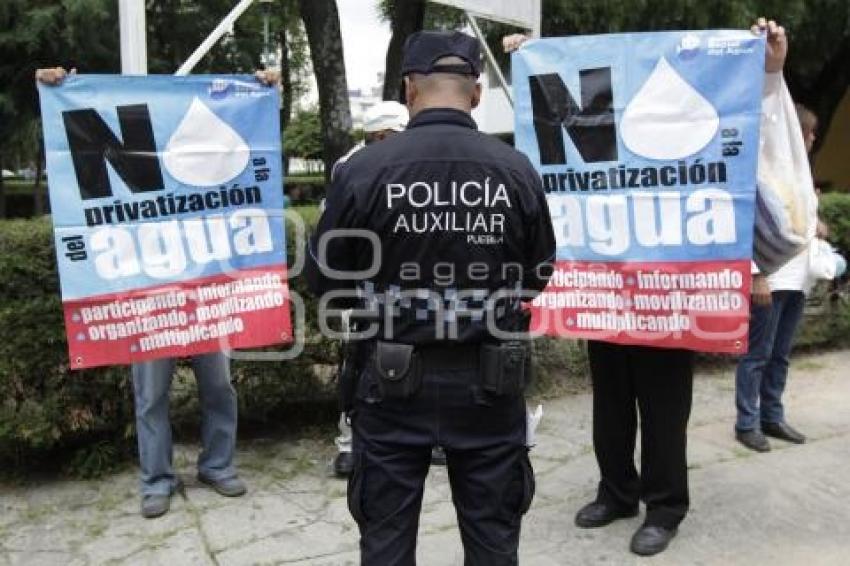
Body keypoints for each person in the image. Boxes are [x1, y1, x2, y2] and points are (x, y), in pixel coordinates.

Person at [504, 18, 790, 556]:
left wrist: (767, 66)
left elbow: (756, 143)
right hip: (607, 295)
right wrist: (531, 57)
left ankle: (665, 507)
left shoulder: (695, 100)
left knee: (663, 411)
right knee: (609, 405)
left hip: (669, 298)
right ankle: (617, 491)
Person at [305, 30, 555, 565]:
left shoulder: (364, 171)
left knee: (387, 546)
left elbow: (326, 280)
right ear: (477, 91)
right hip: (490, 387)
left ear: (409, 89)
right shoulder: (515, 170)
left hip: (391, 387)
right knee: (493, 545)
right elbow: (538, 275)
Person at [36, 67, 280, 519]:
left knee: (219, 386)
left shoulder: (203, 152)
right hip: (148, 293)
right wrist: (54, 84)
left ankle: (217, 466)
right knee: (150, 396)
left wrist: (262, 89)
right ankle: (156, 481)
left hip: (207, 290)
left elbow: (249, 137)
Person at [734, 102, 822, 452]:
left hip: (797, 278)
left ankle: (772, 415)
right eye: (810, 131)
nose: (814, 138)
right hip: (770, 280)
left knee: (781, 354)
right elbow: (745, 225)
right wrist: (756, 275)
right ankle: (746, 422)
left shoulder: (799, 172)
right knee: (757, 354)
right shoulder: (763, 169)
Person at [330, 100, 409, 477]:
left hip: (401, 284)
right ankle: (347, 442)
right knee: (355, 362)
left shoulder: (404, 161)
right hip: (360, 284)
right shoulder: (349, 168)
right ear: (379, 135)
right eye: (399, 134)